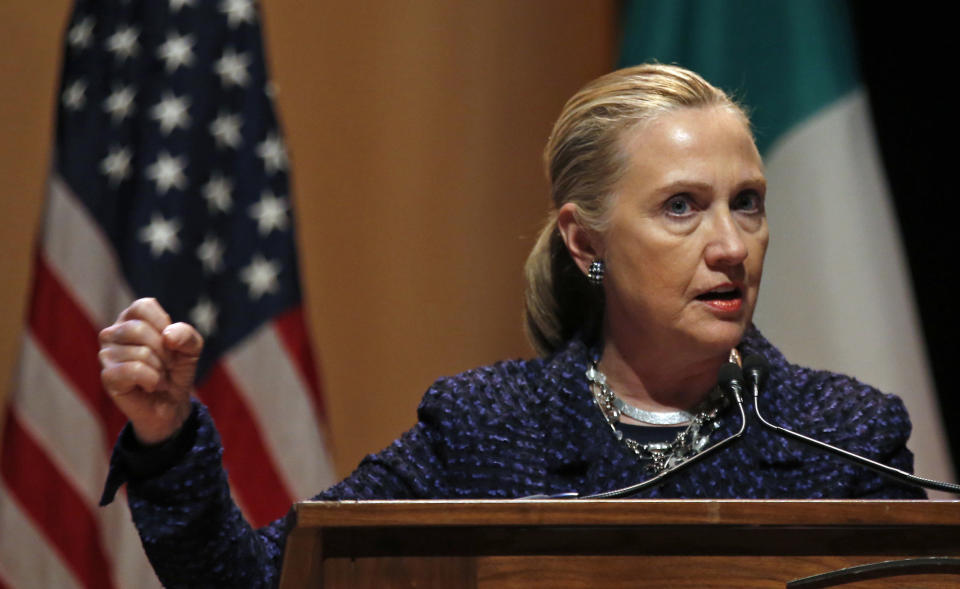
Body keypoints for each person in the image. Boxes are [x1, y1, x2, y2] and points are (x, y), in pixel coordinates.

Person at [98, 64, 924, 587]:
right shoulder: (486, 426)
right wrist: (167, 438)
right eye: (682, 207)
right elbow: (252, 581)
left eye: (747, 203)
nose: (730, 246)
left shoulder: (844, 434)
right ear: (584, 240)